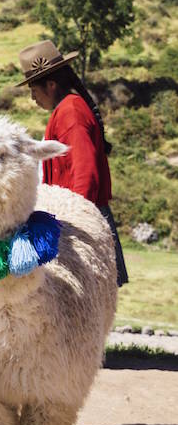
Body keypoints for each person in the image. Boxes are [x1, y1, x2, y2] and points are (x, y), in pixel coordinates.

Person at [17, 40, 129, 286]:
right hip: (77, 212)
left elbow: (84, 172)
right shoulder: (68, 109)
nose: (34, 99)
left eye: (34, 92)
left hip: (82, 214)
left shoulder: (71, 113)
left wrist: (78, 222)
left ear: (51, 85)